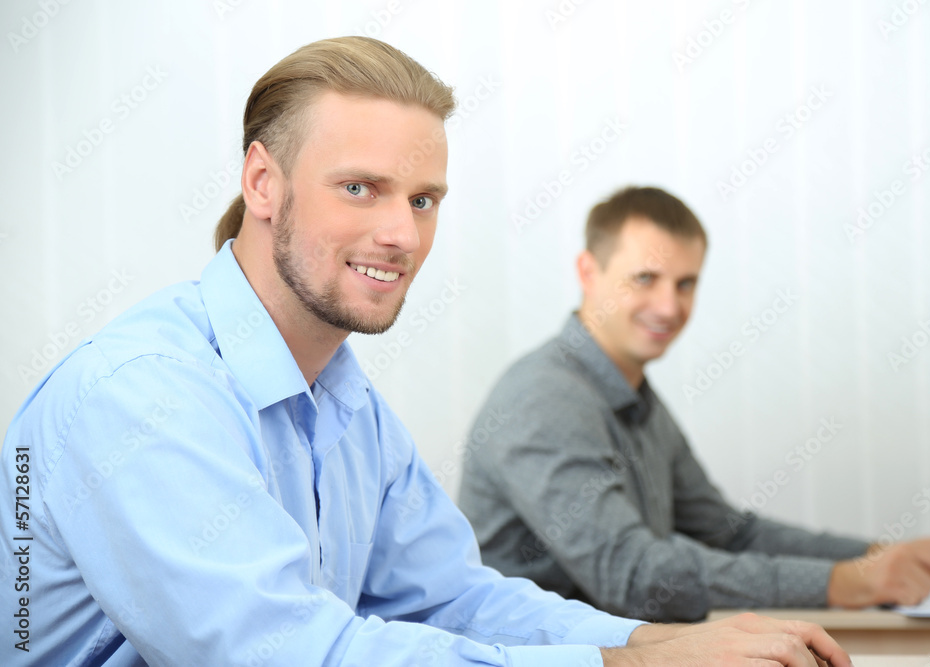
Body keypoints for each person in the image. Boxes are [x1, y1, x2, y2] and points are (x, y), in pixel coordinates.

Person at [0, 38, 850, 666]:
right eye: (360, 188)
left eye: (423, 199)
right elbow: (290, 654)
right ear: (262, 183)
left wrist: (655, 640)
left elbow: (452, 597)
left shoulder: (347, 402)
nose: (403, 234)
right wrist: (626, 663)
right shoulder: (143, 393)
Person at [458, 185, 930, 623]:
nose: (669, 307)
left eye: (686, 284)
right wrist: (844, 581)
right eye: (646, 279)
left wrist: (878, 559)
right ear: (588, 272)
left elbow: (730, 534)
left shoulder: (633, 396)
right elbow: (633, 576)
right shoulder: (544, 398)